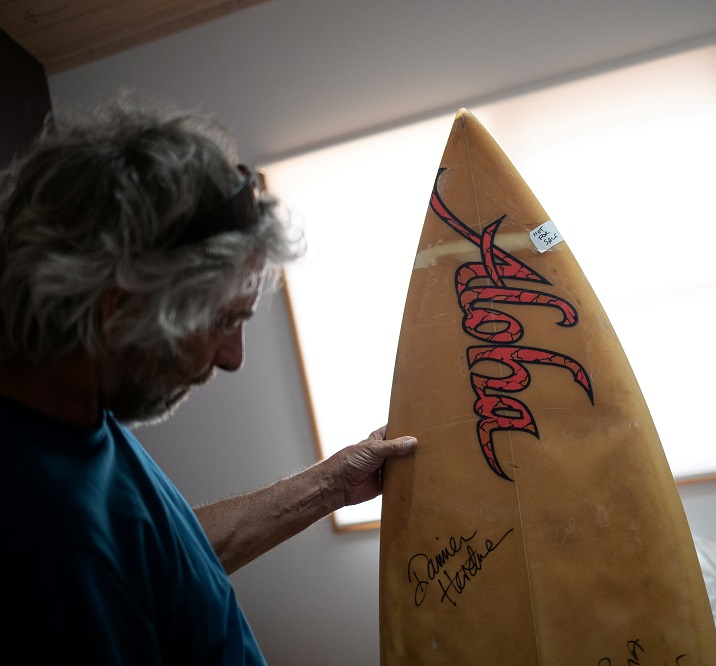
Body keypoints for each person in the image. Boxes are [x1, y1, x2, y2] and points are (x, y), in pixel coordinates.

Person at [0, 98, 417, 664]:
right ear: (116, 313)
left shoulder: (71, 414)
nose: (232, 357)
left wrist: (331, 485)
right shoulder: (48, 548)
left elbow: (160, 559)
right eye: (224, 321)